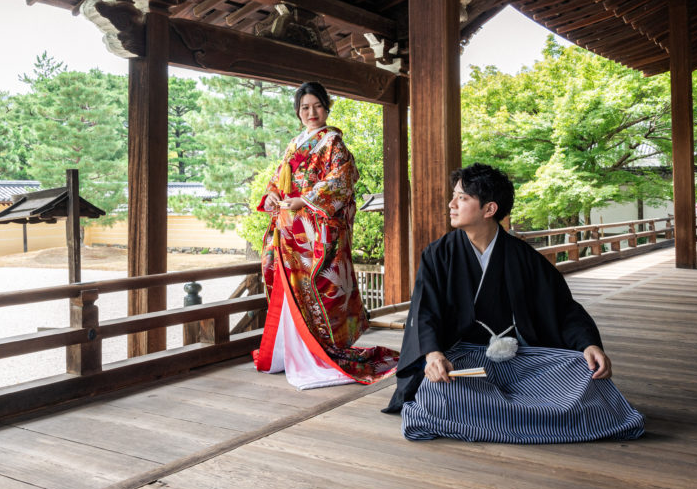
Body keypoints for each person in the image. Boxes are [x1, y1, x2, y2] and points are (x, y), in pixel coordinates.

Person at [383, 163, 644, 443]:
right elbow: (424, 312)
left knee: (584, 372)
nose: (451, 204)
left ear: (489, 209)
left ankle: (492, 417)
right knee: (438, 389)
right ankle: (535, 417)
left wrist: (589, 345)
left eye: (462, 198)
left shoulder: (523, 257)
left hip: (519, 359)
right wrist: (433, 355)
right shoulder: (438, 255)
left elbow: (562, 308)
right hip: (463, 360)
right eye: (454, 196)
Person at [253, 81, 398, 389]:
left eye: (317, 105)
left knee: (320, 289)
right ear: (298, 112)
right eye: (304, 107)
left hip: (316, 233)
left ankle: (320, 352)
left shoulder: (333, 142)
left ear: (326, 107)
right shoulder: (295, 143)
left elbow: (343, 180)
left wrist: (304, 200)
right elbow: (278, 180)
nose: (311, 112)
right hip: (290, 228)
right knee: (286, 287)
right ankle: (293, 350)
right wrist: (273, 197)